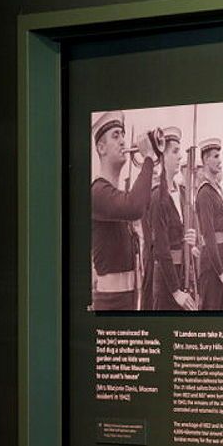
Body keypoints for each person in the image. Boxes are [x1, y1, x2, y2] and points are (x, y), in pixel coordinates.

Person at [89, 114, 154, 312]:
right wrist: (149, 159)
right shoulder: (97, 192)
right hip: (111, 302)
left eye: (123, 135)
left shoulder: (116, 195)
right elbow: (135, 207)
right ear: (101, 148)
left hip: (128, 299)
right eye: (115, 136)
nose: (123, 141)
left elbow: (139, 202)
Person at [139, 127, 189, 310]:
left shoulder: (180, 194)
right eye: (175, 151)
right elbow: (160, 246)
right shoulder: (156, 197)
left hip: (182, 273)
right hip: (166, 280)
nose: (180, 156)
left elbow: (174, 234)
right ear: (163, 157)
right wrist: (175, 290)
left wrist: (187, 239)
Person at [192, 138, 223, 309]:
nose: (220, 161)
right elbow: (209, 235)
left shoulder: (217, 190)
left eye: (220, 156)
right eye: (215, 156)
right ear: (205, 160)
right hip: (212, 267)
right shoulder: (204, 193)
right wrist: (221, 272)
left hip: (222, 259)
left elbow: (220, 225)